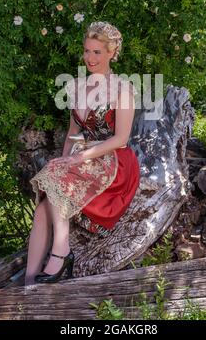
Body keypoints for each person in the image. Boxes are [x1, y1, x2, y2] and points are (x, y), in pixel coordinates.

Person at [24, 21, 140, 285]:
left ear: (112, 52)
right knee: (43, 207)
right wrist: (66, 160)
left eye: (97, 52)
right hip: (84, 158)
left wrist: (81, 157)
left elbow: (121, 139)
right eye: (87, 51)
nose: (90, 58)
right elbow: (74, 133)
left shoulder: (123, 89)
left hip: (114, 162)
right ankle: (28, 282)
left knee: (53, 176)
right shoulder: (77, 87)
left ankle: (61, 250)